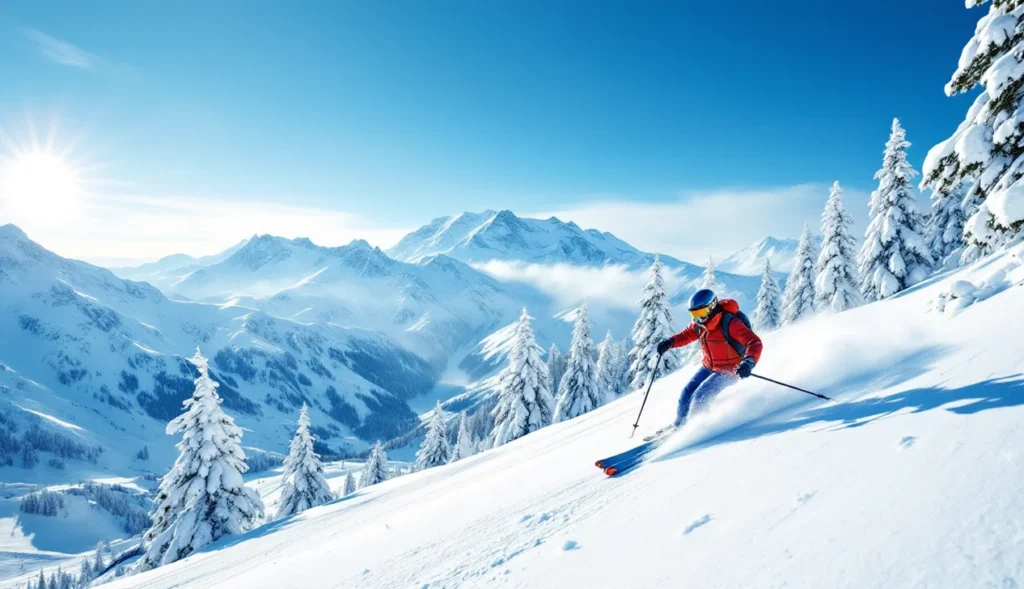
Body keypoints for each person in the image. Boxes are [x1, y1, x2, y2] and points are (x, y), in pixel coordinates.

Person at [656, 288, 763, 427]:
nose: (697, 319)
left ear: (712, 307)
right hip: (709, 366)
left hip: (731, 369)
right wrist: (670, 342)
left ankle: (695, 427)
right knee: (687, 393)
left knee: (701, 396)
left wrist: (748, 362)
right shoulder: (700, 325)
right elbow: (686, 335)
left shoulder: (730, 324)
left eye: (701, 313)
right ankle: (680, 424)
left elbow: (754, 342)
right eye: (694, 314)